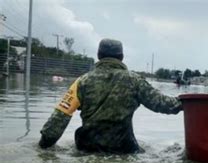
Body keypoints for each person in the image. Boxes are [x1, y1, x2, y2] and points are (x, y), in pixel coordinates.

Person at [39, 38, 182, 153]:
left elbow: (59, 118)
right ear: (121, 57)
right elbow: (162, 103)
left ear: (99, 56)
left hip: (87, 149)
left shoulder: (82, 82)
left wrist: (43, 145)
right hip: (123, 150)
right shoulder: (134, 81)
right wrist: (186, 102)